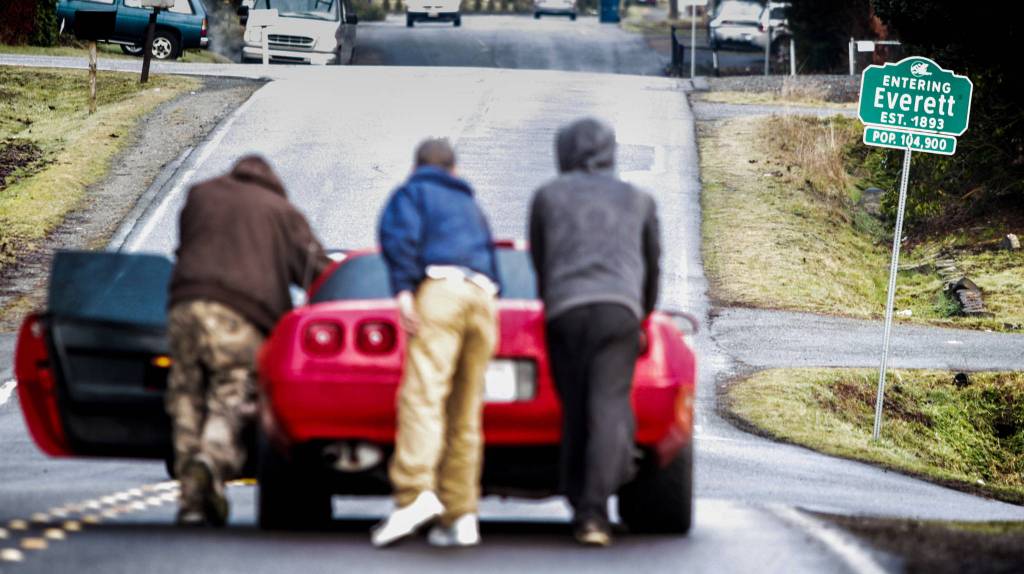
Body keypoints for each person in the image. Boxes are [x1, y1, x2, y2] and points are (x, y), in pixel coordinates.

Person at [166, 155, 329, 527]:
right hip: (240, 316)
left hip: (184, 306)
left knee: (185, 395)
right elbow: (316, 272)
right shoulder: (282, 212)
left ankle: (193, 500)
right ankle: (211, 458)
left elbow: (187, 247)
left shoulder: (199, 195)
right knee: (234, 391)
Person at [528, 118, 661, 547]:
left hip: (565, 310)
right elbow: (651, 265)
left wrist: (552, 301)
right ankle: (593, 514)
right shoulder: (638, 199)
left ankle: (575, 496)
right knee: (607, 406)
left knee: (576, 407)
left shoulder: (548, 196)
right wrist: (642, 315)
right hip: (619, 311)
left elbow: (541, 259)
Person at [372, 138, 500, 548]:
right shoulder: (472, 207)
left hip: (440, 292)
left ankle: (414, 496)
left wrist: (405, 292)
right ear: (455, 171)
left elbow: (399, 239)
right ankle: (461, 515)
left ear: (417, 167)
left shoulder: (412, 192)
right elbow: (493, 261)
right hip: (483, 299)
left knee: (423, 398)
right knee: (465, 412)